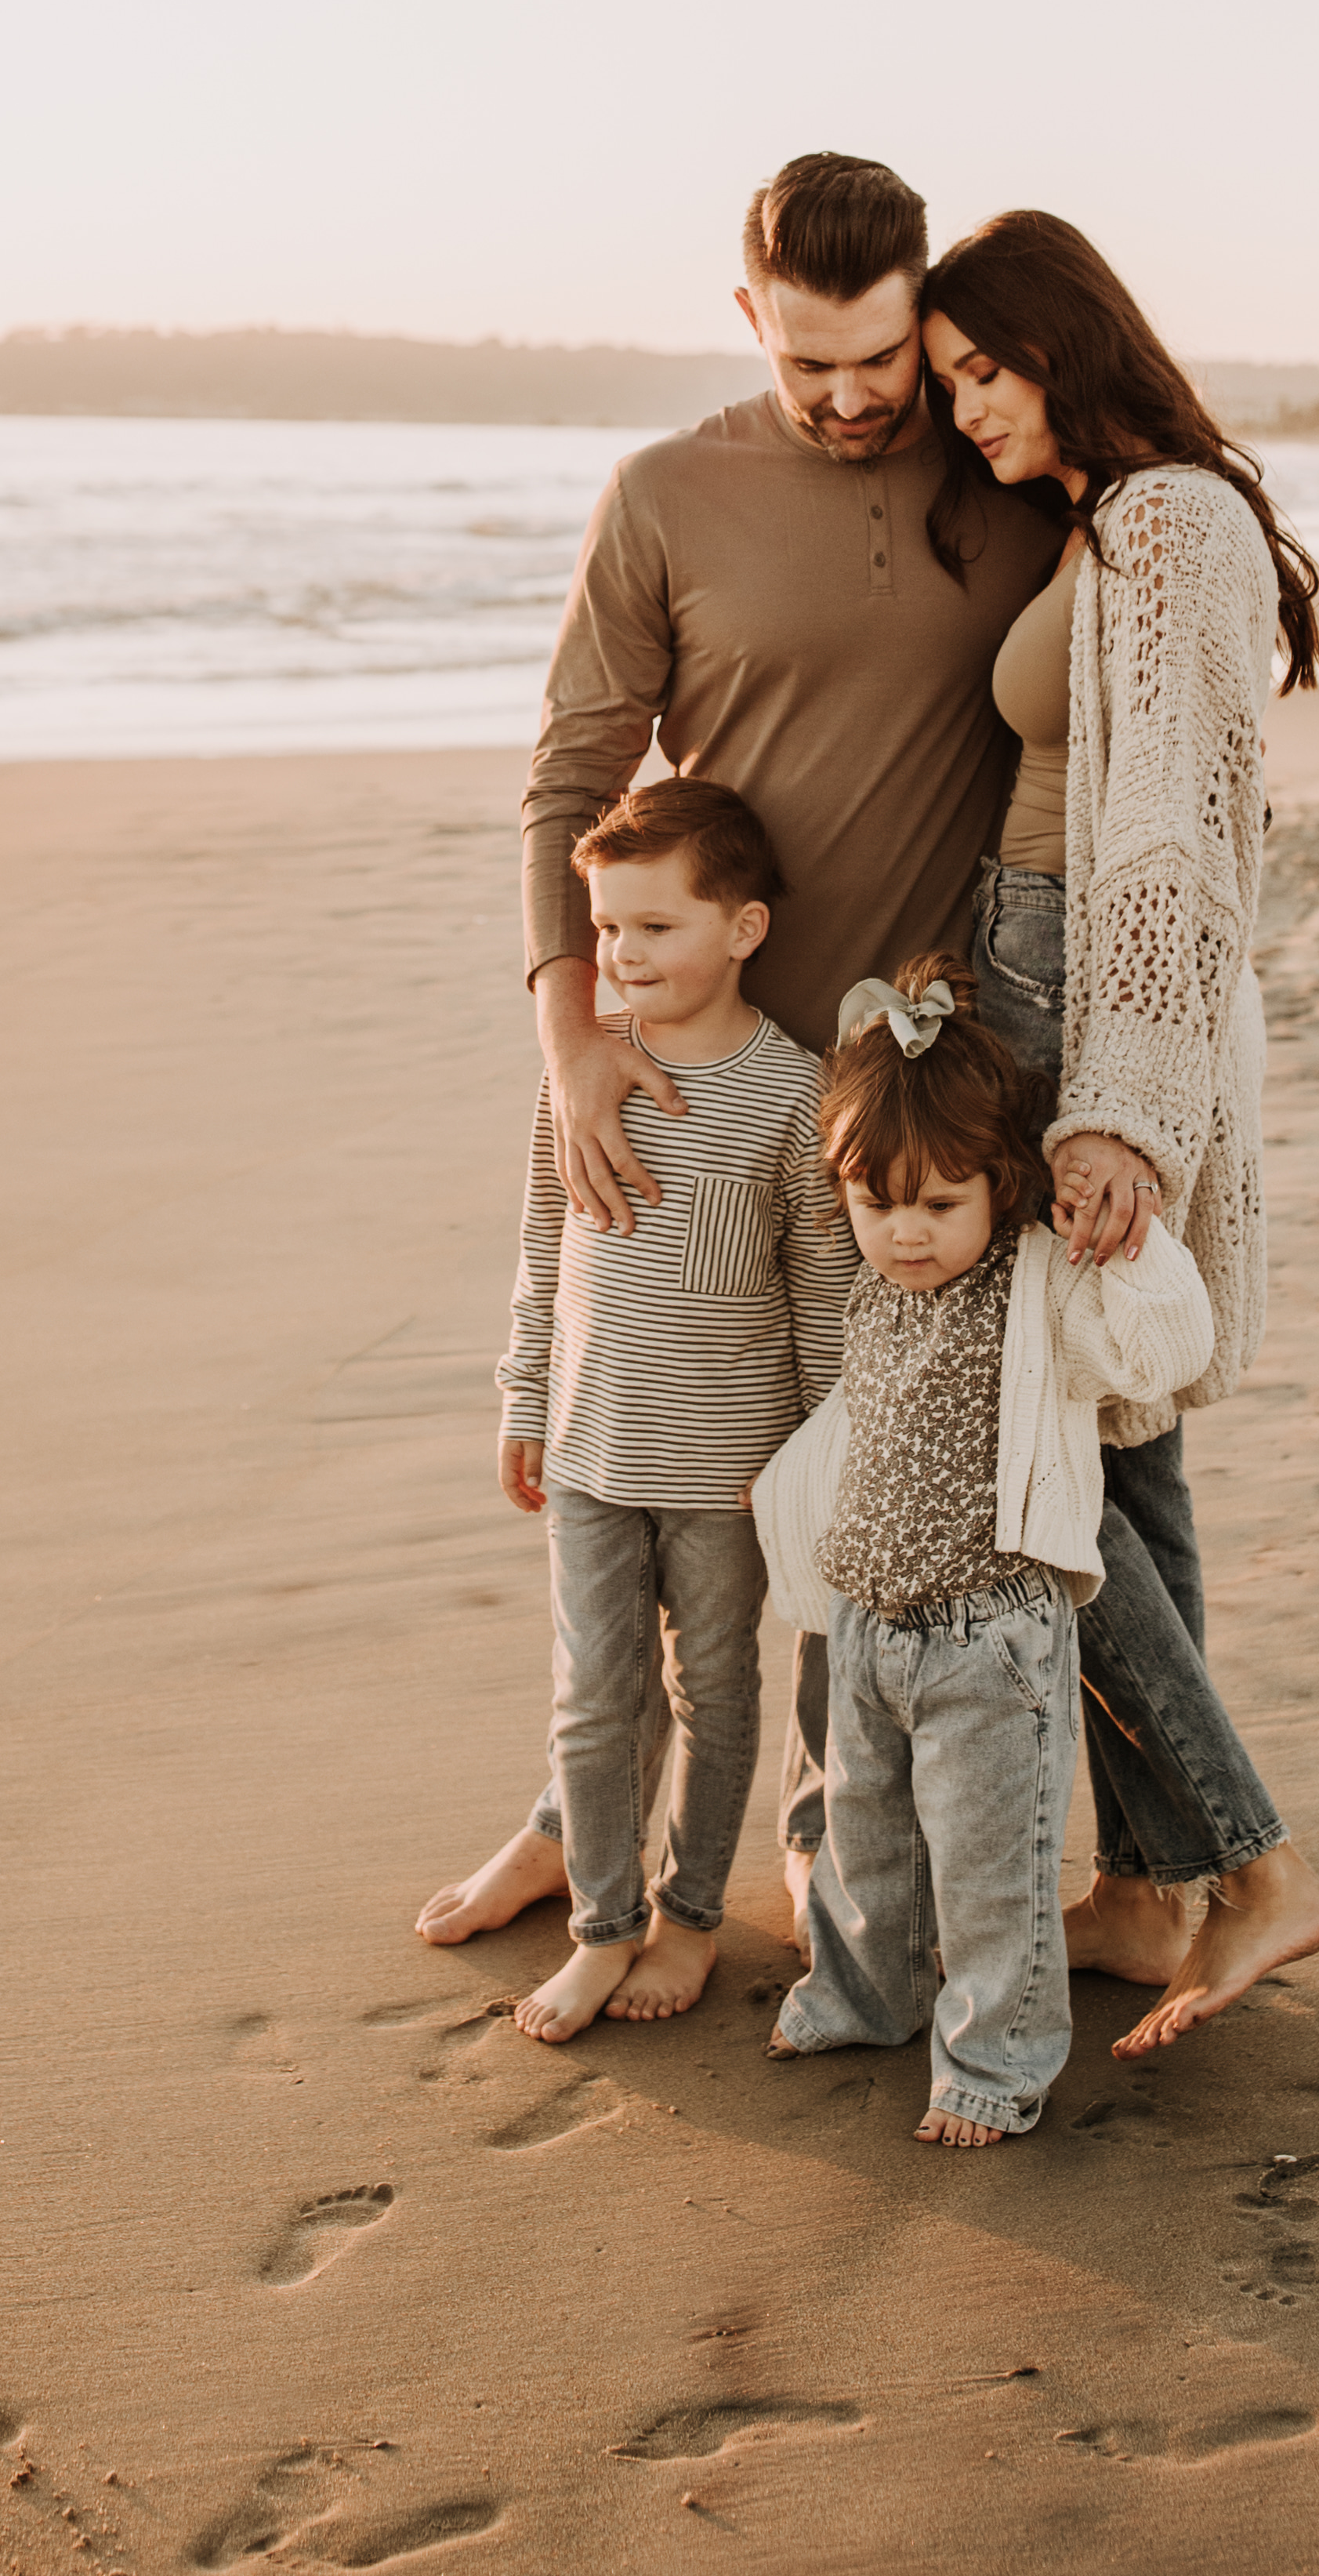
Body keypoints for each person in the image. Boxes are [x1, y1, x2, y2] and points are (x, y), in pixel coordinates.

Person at [418, 152, 1062, 1952]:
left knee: (832, 1481)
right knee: (635, 1474)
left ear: (922, 308)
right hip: (685, 1079)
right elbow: (568, 776)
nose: (853, 400)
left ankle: (804, 1824)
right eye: (807, 368)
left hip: (901, 1099)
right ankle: (576, 1813)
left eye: (877, 358)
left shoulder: (1001, 478)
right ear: (746, 321)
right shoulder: (663, 493)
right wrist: (571, 1043)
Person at [919, 206, 1319, 2050]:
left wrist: (1122, 1112)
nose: (964, 414)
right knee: (1121, 1448)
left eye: (979, 373)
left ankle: (1251, 1865)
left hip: (1076, 1012)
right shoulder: (1127, 514)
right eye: (944, 387)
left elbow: (1168, 837)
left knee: (1031, 1467)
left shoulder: (1168, 521)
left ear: (1059, 340)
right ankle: (1149, 1877)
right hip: (1039, 997)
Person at [754, 956, 1217, 2142]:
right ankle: (866, 1994)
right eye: (876, 1202)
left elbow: (1156, 1347)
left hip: (989, 1633)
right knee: (868, 1845)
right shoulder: (871, 1279)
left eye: (938, 1204)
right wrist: (905, 1020)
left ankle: (993, 2063)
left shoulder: (1037, 1283)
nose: (902, 1232)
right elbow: (869, 1045)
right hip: (866, 1621)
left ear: (998, 1186)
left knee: (990, 1869)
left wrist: (1133, 1241)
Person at [493, 778, 856, 2040]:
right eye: (603, 931)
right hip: (593, 1454)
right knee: (592, 1698)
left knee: (712, 1692)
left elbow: (821, 1295)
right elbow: (545, 1249)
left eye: (654, 927)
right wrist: (524, 1398)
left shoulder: (792, 1097)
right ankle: (601, 1924)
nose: (621, 956)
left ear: (743, 929)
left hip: (728, 1479)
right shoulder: (582, 1069)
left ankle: (692, 1912)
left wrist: (818, 1464)